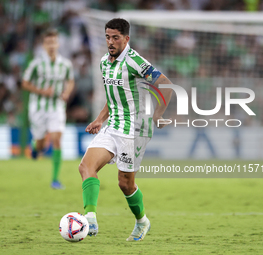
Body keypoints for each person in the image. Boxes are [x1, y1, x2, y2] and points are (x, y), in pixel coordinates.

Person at [79, 18, 172, 241]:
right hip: (112, 126)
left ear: (126, 39)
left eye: (115, 38)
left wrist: (158, 114)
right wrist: (100, 119)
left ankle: (142, 221)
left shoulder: (135, 61)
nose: (110, 42)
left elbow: (166, 85)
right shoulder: (103, 62)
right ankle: (89, 218)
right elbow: (113, 99)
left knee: (125, 183)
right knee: (86, 166)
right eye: (107, 37)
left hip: (134, 130)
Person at [22, 28, 75, 189]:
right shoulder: (36, 63)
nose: (51, 45)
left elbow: (70, 81)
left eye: (53, 42)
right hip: (38, 107)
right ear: (43, 45)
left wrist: (66, 93)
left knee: (57, 139)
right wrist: (42, 91)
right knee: (41, 146)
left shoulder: (65, 64)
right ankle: (35, 146)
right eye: (48, 42)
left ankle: (55, 179)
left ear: (58, 44)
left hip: (57, 107)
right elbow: (25, 83)